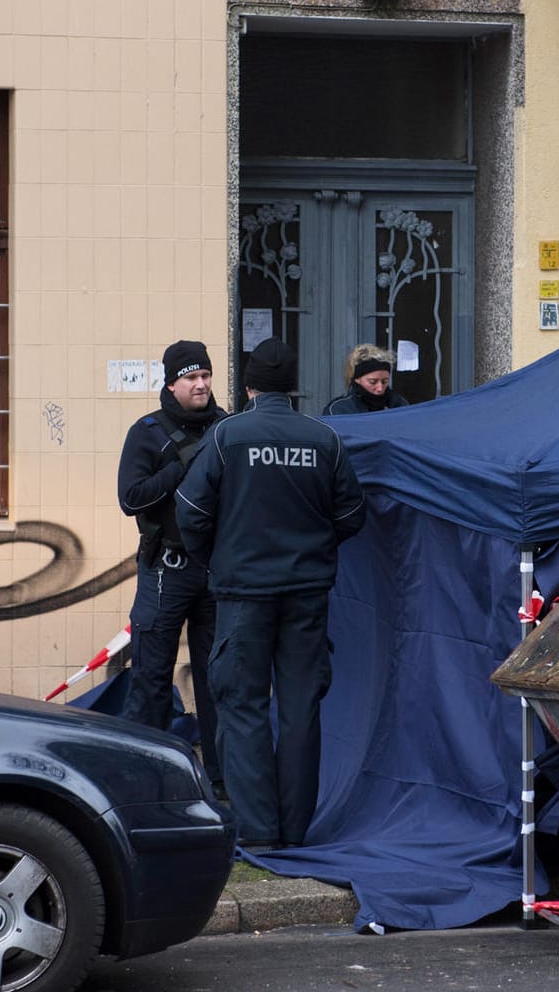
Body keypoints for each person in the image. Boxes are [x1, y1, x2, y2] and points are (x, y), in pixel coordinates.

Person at [176, 337, 366, 849]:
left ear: (249, 388)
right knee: (301, 709)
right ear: (292, 389)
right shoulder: (323, 438)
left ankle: (259, 833)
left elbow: (191, 511)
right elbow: (352, 514)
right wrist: (315, 548)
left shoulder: (227, 435)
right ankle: (295, 831)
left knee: (242, 706)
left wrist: (217, 558)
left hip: (243, 594)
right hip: (306, 595)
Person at [117, 339, 227, 795]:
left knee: (218, 681)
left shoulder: (225, 427)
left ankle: (221, 782)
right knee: (152, 681)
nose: (201, 384)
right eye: (191, 377)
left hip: (215, 571)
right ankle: (143, 783)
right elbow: (130, 498)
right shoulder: (147, 432)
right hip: (166, 570)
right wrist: (181, 467)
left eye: (206, 375)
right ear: (171, 384)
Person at [321, 343, 410, 415]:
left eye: (385, 381)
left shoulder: (398, 405)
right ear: (357, 379)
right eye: (372, 382)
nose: (380, 388)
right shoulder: (340, 410)